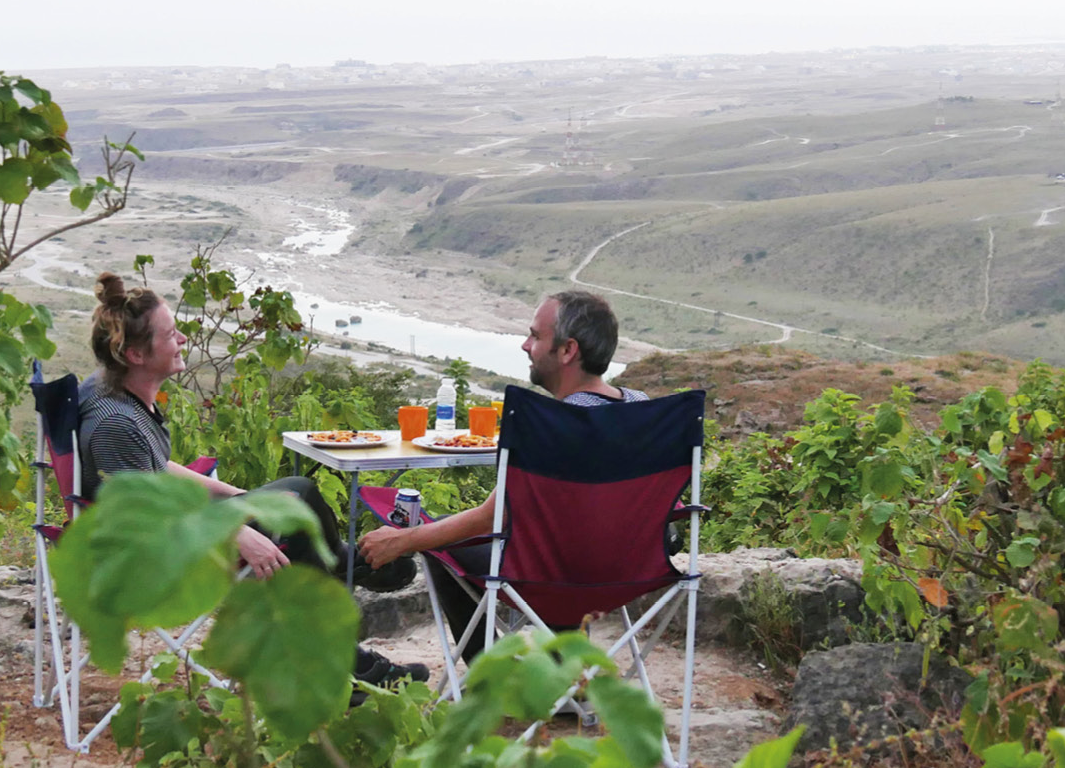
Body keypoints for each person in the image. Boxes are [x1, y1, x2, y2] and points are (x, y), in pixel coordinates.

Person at [82, 272, 423, 687]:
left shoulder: (114, 395)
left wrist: (235, 495)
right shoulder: (116, 422)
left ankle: (341, 590)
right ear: (136, 354)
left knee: (298, 493)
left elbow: (150, 470)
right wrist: (238, 533)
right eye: (171, 334)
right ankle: (341, 652)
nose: (183, 341)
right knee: (294, 504)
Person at [357, 289, 645, 659]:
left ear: (568, 350)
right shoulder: (643, 410)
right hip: (630, 572)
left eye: (536, 336)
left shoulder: (551, 425)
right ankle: (565, 670)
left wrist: (405, 540)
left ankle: (489, 680)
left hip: (560, 576)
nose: (526, 346)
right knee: (561, 538)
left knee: (442, 540)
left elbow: (491, 517)